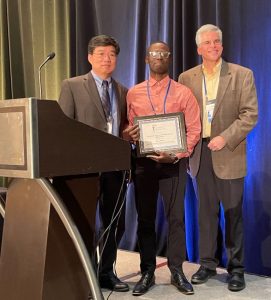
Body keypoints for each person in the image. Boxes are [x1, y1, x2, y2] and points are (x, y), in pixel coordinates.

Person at [178, 24, 258, 292]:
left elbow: (250, 114)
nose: (213, 46)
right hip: (199, 155)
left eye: (217, 42)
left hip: (229, 152)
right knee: (205, 214)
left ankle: (236, 269)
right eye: (208, 43)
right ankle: (208, 264)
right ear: (198, 48)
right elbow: (181, 115)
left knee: (233, 214)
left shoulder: (241, 74)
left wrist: (226, 136)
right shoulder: (186, 77)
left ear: (222, 46)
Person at [123, 41, 201, 296]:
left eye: (164, 54)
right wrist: (130, 135)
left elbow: (194, 129)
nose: (159, 57)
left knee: (176, 218)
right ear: (147, 59)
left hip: (172, 164)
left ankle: (177, 270)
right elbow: (131, 128)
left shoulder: (183, 93)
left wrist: (177, 155)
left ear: (169, 59)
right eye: (154, 54)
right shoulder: (133, 93)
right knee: (145, 219)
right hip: (144, 163)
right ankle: (147, 272)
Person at [58, 35, 129, 292]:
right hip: (83, 170)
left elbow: (121, 128)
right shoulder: (73, 85)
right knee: (86, 222)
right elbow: (63, 128)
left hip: (115, 168)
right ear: (90, 57)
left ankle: (106, 272)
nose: (107, 59)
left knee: (114, 222)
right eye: (101, 54)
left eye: (111, 54)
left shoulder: (122, 91)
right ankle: (85, 274)